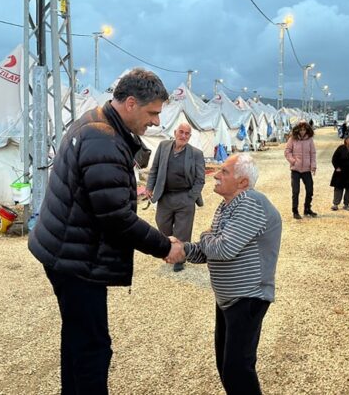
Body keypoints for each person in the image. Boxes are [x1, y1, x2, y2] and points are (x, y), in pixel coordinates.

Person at [28, 68, 185, 394]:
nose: (156, 122)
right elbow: (116, 218)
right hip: (76, 258)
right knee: (94, 348)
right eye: (153, 112)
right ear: (130, 103)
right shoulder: (103, 140)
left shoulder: (95, 120)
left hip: (64, 248)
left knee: (77, 336)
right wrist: (163, 246)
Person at [177, 153, 281, 395]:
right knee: (226, 366)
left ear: (243, 182)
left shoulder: (251, 203)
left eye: (224, 171)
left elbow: (222, 248)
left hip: (248, 298)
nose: (215, 175)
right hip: (229, 300)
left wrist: (205, 236)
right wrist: (182, 249)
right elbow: (209, 251)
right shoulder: (228, 206)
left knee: (238, 369)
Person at [145, 122, 206, 272]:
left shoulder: (196, 153)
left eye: (187, 134)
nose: (183, 136)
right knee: (162, 225)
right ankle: (169, 250)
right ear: (175, 132)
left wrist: (191, 197)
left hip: (185, 196)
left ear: (190, 136)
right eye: (181, 132)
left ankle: (180, 258)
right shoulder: (163, 146)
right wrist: (149, 187)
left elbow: (200, 179)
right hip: (165, 196)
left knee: (183, 230)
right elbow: (155, 169)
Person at [284, 121, 317, 219]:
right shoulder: (292, 139)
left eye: (304, 130)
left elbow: (313, 153)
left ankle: (307, 208)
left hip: (306, 169)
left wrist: (313, 166)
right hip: (296, 169)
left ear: (307, 130)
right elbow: (287, 151)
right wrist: (293, 161)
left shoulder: (310, 140)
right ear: (297, 130)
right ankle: (295, 211)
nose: (302, 132)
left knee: (310, 190)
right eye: (301, 129)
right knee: (295, 191)